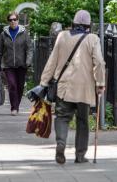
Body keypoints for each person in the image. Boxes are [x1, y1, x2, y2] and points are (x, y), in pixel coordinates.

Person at [40, 10, 106, 164]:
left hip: (64, 86)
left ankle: (61, 144)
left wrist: (44, 82)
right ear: (89, 25)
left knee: (62, 117)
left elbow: (52, 61)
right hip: (84, 88)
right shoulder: (92, 39)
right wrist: (100, 84)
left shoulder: (62, 36)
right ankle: (80, 155)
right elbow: (99, 63)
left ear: (73, 23)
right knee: (83, 121)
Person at [0, 12, 33, 116]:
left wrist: (28, 61)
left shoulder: (24, 33)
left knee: (20, 87)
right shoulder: (4, 34)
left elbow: (29, 48)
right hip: (8, 65)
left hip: (22, 65)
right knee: (12, 85)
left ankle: (17, 105)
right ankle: (14, 107)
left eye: (14, 19)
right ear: (8, 22)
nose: (13, 21)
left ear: (18, 20)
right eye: (10, 20)